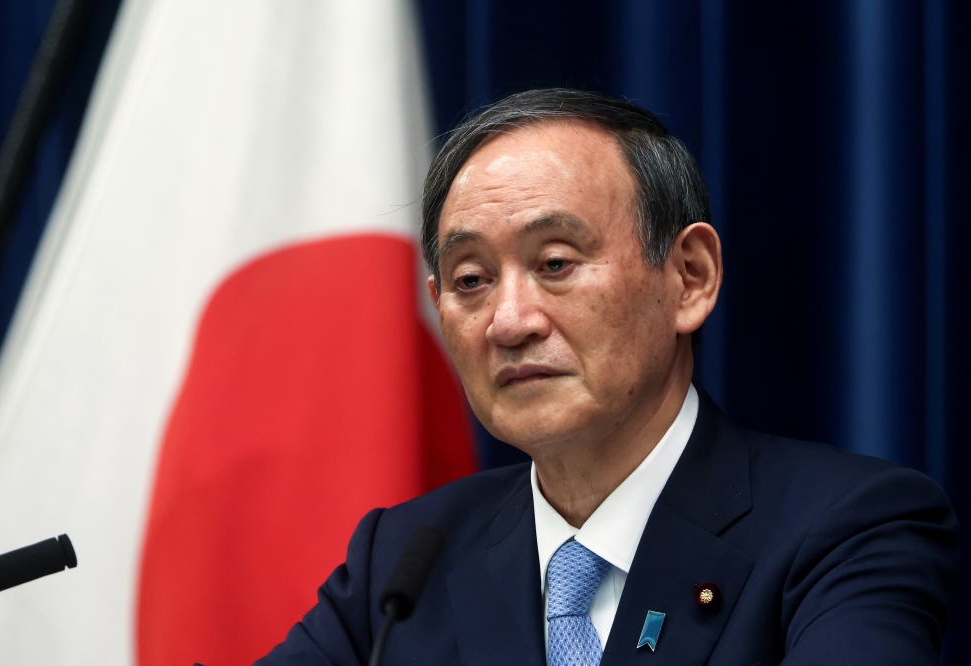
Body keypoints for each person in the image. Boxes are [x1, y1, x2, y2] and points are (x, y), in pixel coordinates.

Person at [256, 89, 959, 665]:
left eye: (556, 264)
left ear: (690, 278)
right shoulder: (403, 560)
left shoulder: (845, 529)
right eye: (471, 280)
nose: (510, 321)